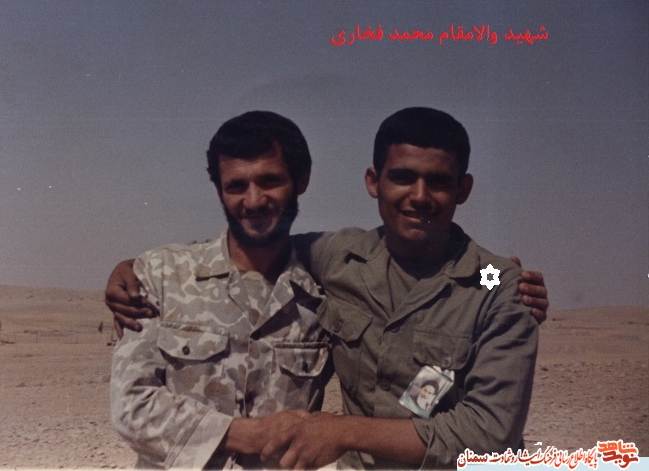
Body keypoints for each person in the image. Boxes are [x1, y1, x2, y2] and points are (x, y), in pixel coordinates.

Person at [107, 107, 548, 469]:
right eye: (402, 177)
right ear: (374, 182)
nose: (419, 195)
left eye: (438, 181)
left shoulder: (492, 283)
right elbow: (255, 245)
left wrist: (501, 278)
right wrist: (132, 269)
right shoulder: (340, 258)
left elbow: (490, 434)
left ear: (463, 188)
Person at [109, 111, 332, 469]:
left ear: (301, 180)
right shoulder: (161, 275)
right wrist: (249, 435)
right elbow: (132, 408)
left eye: (270, 181)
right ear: (218, 190)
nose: (254, 201)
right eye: (236, 186)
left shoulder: (326, 291)